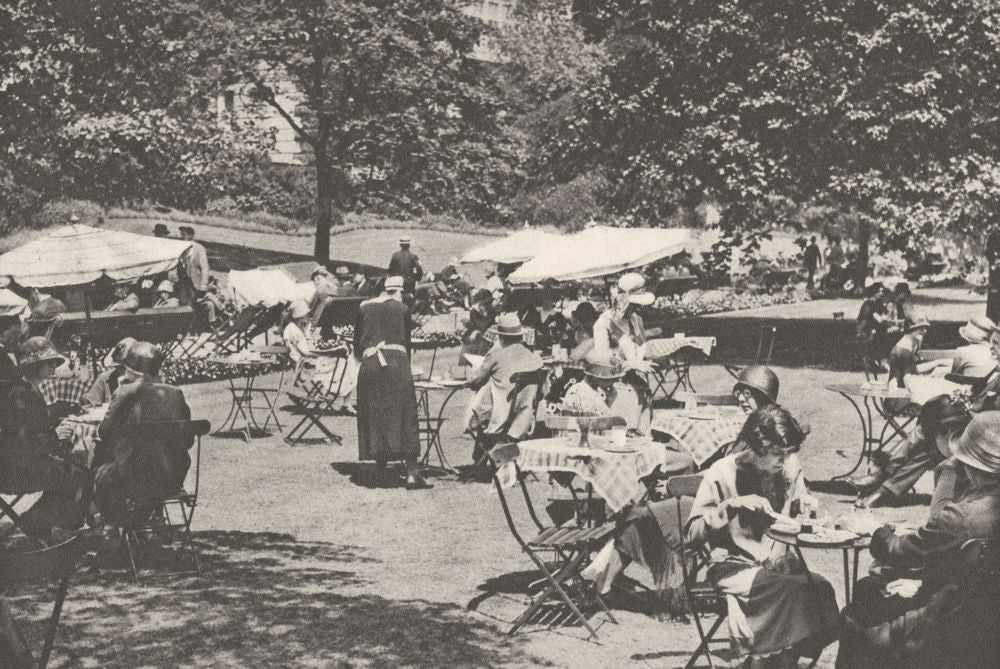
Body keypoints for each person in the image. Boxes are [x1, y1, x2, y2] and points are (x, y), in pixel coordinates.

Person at [838, 411, 1000, 669]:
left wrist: (874, 528)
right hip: (985, 624)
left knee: (854, 621)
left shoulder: (961, 516)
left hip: (949, 623)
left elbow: (899, 550)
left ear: (970, 465)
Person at [686, 405, 839, 667]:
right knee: (797, 589)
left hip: (778, 561)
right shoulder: (722, 473)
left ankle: (783, 657)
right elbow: (692, 536)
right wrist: (729, 507)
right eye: (778, 453)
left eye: (788, 453)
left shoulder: (788, 467)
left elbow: (799, 509)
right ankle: (767, 659)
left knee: (821, 590)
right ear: (758, 446)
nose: (784, 460)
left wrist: (806, 509)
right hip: (733, 566)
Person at [93, 342, 193, 528]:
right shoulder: (175, 393)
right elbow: (187, 440)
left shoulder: (126, 392)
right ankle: (139, 524)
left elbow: (104, 432)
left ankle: (114, 525)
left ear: (130, 369)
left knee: (98, 463)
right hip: (173, 478)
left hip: (134, 478)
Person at [0, 338, 90, 542]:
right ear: (35, 366)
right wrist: (58, 437)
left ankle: (42, 523)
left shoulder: (25, 389)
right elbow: (23, 443)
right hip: (15, 469)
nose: (53, 367)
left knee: (76, 470)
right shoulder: (23, 394)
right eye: (49, 363)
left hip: (19, 462)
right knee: (78, 475)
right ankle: (39, 523)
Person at [353, 276, 427, 489]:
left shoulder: (364, 307)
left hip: (370, 363)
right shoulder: (402, 309)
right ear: (398, 291)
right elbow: (407, 341)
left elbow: (357, 342)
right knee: (406, 414)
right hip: (397, 363)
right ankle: (412, 473)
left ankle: (380, 468)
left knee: (375, 414)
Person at [854, 394, 973, 508]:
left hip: (977, 434)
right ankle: (883, 489)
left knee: (925, 438)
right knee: (926, 441)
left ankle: (882, 476)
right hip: (967, 423)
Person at [465, 313, 544, 441]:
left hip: (500, 418)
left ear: (501, 337)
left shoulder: (497, 354)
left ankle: (483, 455)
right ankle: (488, 456)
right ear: (520, 336)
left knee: (482, 400)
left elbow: (474, 381)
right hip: (523, 419)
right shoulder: (534, 358)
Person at [561, 352, 658, 436]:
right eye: (609, 379)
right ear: (596, 377)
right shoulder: (582, 395)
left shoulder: (584, 390)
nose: (614, 382)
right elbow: (604, 426)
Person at [593, 272, 654, 372]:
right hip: (613, 376)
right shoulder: (603, 323)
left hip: (637, 374)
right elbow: (602, 357)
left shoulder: (636, 319)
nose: (639, 307)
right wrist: (630, 364)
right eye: (634, 304)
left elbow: (641, 346)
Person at [81, 338, 138, 408]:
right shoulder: (105, 378)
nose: (120, 372)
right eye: (118, 367)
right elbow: (88, 406)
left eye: (124, 368)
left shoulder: (143, 384)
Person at [856, 282, 897, 361]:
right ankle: (883, 359)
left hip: (875, 327)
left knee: (893, 333)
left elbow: (886, 317)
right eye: (879, 291)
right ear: (874, 292)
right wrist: (892, 323)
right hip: (865, 330)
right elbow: (879, 319)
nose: (881, 293)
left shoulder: (879, 303)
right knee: (887, 335)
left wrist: (891, 315)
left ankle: (887, 358)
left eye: (882, 291)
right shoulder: (869, 303)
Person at [178, 226, 210, 306]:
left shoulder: (199, 248)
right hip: (182, 282)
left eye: (184, 235)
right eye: (181, 235)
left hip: (195, 282)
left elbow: (205, 267)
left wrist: (204, 285)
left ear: (191, 236)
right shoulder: (178, 247)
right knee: (182, 304)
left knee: (193, 304)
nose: (181, 237)